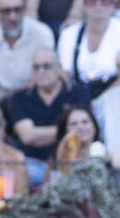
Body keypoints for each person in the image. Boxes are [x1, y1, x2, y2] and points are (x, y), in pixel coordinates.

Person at [10, 47, 92, 187]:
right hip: (31, 163)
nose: (41, 72)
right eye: (36, 67)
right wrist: (66, 130)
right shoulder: (20, 97)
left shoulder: (78, 93)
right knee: (17, 174)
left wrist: (40, 133)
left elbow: (83, 133)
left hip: (69, 162)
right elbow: (27, 136)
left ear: (59, 68)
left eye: (47, 66)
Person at [56, 0, 120, 100]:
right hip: (76, 96)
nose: (98, 5)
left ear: (113, 5)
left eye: (104, 1)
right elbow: (64, 73)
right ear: (84, 5)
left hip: (114, 95)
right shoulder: (69, 34)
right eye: (91, 1)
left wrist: (99, 103)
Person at [0, 0, 55, 94]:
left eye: (17, 10)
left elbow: (49, 70)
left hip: (33, 94)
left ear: (25, 10)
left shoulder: (42, 33)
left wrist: (17, 96)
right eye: (6, 11)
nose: (12, 16)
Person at [48, 104, 107, 179]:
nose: (80, 127)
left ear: (94, 127)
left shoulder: (104, 153)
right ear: (65, 130)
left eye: (85, 122)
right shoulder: (57, 158)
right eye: (73, 124)